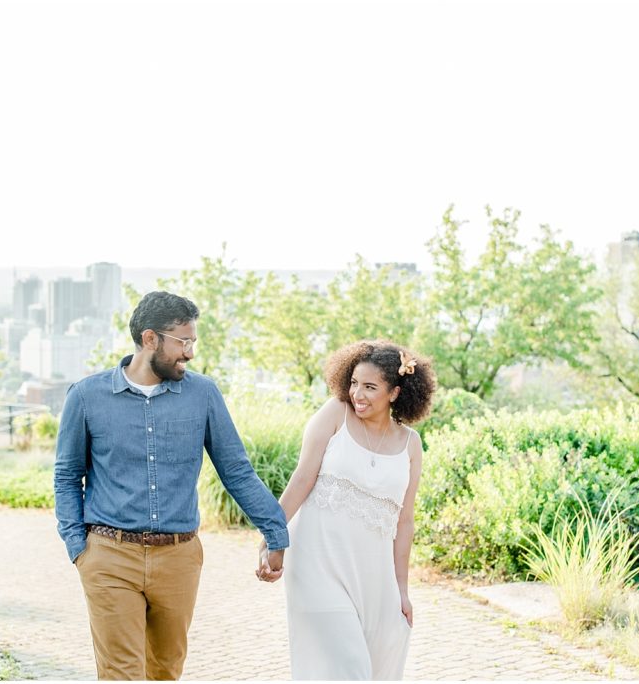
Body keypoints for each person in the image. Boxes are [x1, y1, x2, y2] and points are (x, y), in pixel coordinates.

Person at [54, 291, 288, 681]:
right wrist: (79, 548)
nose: (190, 353)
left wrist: (275, 531)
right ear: (150, 339)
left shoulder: (203, 394)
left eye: (192, 342)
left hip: (178, 558)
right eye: (183, 341)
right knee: (121, 674)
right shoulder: (86, 397)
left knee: (165, 671)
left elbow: (237, 471)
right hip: (110, 556)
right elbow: (66, 476)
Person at [261, 339, 436, 680]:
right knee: (350, 668)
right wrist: (272, 534)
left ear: (395, 393)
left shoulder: (411, 444)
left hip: (374, 574)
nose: (358, 394)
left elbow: (405, 521)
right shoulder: (335, 414)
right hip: (317, 563)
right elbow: (300, 480)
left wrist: (401, 589)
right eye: (354, 383)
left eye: (370, 387)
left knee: (378, 663)